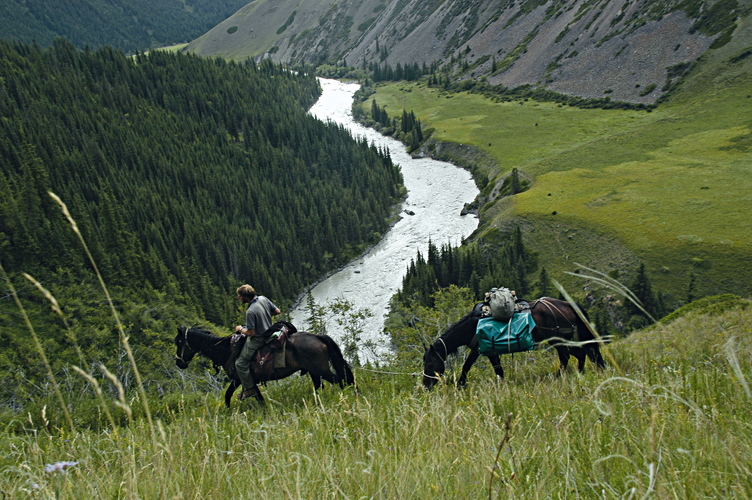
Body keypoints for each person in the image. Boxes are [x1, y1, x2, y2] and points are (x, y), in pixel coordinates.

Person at [234, 284, 281, 402]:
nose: (239, 297)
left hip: (260, 338)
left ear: (246, 297)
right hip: (270, 331)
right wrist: (264, 316)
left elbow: (250, 333)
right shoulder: (263, 299)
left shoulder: (250, 311)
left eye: (240, 296)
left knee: (240, 363)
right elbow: (277, 311)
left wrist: (240, 329)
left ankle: (249, 389)